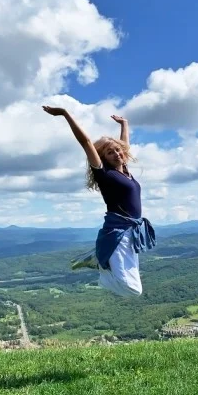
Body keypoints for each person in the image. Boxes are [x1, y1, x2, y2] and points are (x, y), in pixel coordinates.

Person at [42, 105, 156, 297]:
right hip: (118, 232)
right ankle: (102, 269)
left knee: (135, 287)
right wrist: (65, 113)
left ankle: (98, 259)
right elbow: (86, 142)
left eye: (118, 150)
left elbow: (124, 145)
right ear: (103, 158)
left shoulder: (126, 171)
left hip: (132, 232)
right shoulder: (105, 174)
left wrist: (124, 124)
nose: (117, 154)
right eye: (110, 152)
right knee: (134, 290)